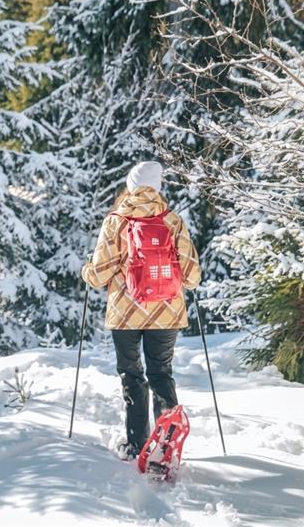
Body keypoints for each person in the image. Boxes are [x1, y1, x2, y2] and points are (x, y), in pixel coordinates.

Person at [81, 161, 201, 460]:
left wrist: (87, 271)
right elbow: (192, 276)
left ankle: (136, 445)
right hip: (167, 311)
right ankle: (166, 443)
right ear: (157, 187)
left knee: (132, 375)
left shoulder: (116, 221)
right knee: (161, 373)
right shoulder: (172, 220)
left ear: (130, 186)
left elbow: (99, 275)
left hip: (125, 313)